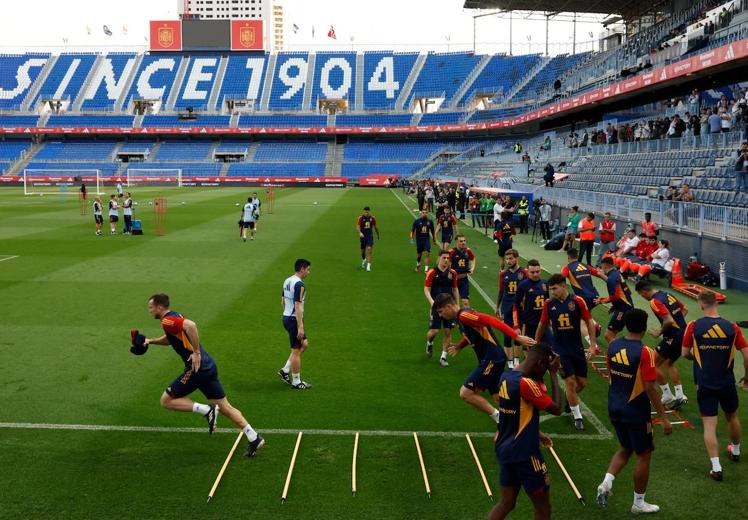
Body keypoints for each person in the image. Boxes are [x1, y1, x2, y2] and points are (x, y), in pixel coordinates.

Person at [137, 293, 264, 457]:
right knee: (225, 407)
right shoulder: (173, 316)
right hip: (208, 366)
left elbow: (191, 325)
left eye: (151, 307)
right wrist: (151, 341)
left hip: (197, 368)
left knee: (166, 400)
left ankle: (206, 410)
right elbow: (171, 339)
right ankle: (254, 437)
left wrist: (196, 352)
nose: (150, 310)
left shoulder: (167, 320)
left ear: (159, 307)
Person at [595, 309, 671, 514]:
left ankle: (607, 483)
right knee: (644, 454)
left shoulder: (613, 345)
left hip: (614, 405)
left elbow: (611, 374)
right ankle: (639, 503)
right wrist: (663, 417)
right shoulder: (645, 351)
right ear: (644, 327)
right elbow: (650, 387)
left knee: (625, 447)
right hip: (635, 410)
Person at [488, 343, 563, 520]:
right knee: (543, 508)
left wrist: (538, 433)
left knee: (506, 503)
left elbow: (514, 415)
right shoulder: (526, 384)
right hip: (526, 454)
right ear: (539, 363)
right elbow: (557, 408)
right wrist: (554, 374)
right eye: (545, 367)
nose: (545, 371)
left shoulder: (506, 376)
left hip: (506, 449)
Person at [433, 293, 535, 423]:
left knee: (465, 393)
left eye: (441, 312)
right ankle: (521, 418)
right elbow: (472, 333)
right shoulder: (460, 317)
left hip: (492, 359)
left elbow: (491, 320)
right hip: (492, 358)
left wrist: (517, 337)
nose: (441, 316)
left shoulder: (464, 315)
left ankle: (500, 418)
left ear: (448, 306)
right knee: (499, 397)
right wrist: (459, 345)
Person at [682, 291, 748, 481]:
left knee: (709, 425)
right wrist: (747, 376)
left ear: (701, 304)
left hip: (705, 383)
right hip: (727, 382)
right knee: (732, 417)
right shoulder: (732, 327)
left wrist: (697, 359)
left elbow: (684, 352)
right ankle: (735, 451)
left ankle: (716, 468)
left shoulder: (693, 326)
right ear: (717, 303)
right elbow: (746, 354)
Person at [535, 274, 598, 431]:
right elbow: (542, 324)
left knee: (581, 383)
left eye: (554, 288)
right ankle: (578, 417)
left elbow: (589, 322)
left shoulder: (577, 301)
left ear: (563, 285)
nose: (552, 292)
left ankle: (571, 400)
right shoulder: (549, 304)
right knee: (569, 382)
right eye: (550, 289)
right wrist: (536, 344)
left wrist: (592, 345)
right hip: (559, 350)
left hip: (576, 348)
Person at [635, 281, 688, 408]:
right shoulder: (667, 294)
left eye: (641, 295)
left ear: (644, 291)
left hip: (673, 336)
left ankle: (667, 395)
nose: (642, 297)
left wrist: (660, 331)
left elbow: (668, 320)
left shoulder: (654, 301)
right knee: (669, 363)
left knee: (652, 362)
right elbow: (684, 310)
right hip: (683, 334)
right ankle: (680, 395)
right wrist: (677, 326)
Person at [279, 259, 313, 389]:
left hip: (287, 317)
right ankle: (296, 381)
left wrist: (287, 314)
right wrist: (300, 326)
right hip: (294, 320)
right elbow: (298, 305)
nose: (309, 272)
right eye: (308, 269)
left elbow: (282, 300)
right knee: (296, 350)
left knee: (304, 344)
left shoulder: (287, 280)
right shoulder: (300, 284)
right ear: (302, 269)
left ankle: (285, 370)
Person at [424, 250, 460, 367]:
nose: (446, 260)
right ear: (439, 258)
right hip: (437, 307)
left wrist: (457, 305)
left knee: (448, 331)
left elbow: (455, 289)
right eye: (444, 258)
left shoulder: (453, 273)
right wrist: (432, 303)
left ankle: (443, 357)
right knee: (434, 331)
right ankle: (429, 342)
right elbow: (426, 289)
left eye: (447, 258)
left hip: (449, 307)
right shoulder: (432, 272)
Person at [560, 248, 604, 344]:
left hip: (583, 298)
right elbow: (599, 274)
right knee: (586, 314)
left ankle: (593, 345)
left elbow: (560, 279)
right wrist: (610, 280)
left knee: (578, 319)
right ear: (577, 256)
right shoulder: (585, 266)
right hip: (595, 296)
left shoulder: (567, 268)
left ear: (568, 257)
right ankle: (595, 325)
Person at [497, 249, 527, 368]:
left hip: (520, 308)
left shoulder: (524, 272)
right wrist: (497, 306)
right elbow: (501, 291)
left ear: (516, 258)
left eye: (511, 258)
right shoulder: (503, 274)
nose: (508, 261)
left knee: (518, 335)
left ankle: (516, 360)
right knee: (507, 335)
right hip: (507, 307)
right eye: (507, 259)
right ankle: (509, 363)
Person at [596, 257, 635, 346]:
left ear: (605, 266)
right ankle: (621, 351)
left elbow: (615, 296)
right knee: (613, 334)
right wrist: (615, 306)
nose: (601, 269)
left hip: (623, 309)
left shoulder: (611, 279)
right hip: (625, 307)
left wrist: (601, 300)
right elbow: (627, 292)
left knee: (608, 335)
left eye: (601, 267)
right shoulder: (617, 274)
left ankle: (617, 354)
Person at [514, 259, 551, 344]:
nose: (535, 274)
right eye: (532, 272)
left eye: (537, 271)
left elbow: (548, 303)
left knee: (551, 348)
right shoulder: (522, 286)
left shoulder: (545, 283)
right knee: (531, 351)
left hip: (543, 323)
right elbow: (516, 306)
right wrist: (516, 325)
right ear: (528, 272)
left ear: (540, 270)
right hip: (529, 324)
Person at [449, 234, 475, 307]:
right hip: (454, 281)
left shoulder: (468, 250)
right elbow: (448, 265)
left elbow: (473, 259)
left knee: (465, 301)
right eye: (461, 241)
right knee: (454, 303)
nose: (463, 242)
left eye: (464, 241)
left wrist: (472, 268)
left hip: (464, 280)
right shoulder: (452, 252)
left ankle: (467, 317)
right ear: (456, 242)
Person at [410, 209, 437, 273]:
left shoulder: (430, 221)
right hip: (419, 240)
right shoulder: (417, 221)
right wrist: (411, 237)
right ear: (421, 213)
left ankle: (426, 269)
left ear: (427, 213)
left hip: (426, 239)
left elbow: (433, 231)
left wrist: (434, 239)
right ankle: (418, 265)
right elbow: (412, 230)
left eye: (426, 213)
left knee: (427, 253)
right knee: (419, 255)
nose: (424, 214)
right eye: (423, 213)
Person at [356, 206, 381, 272]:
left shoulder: (373, 218)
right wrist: (360, 233)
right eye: (365, 212)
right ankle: (364, 259)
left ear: (369, 211)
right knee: (363, 252)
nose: (366, 213)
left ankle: (368, 266)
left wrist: (378, 235)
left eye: (367, 212)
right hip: (363, 237)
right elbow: (357, 226)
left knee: (369, 249)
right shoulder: (360, 218)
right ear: (363, 211)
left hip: (369, 236)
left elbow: (376, 227)